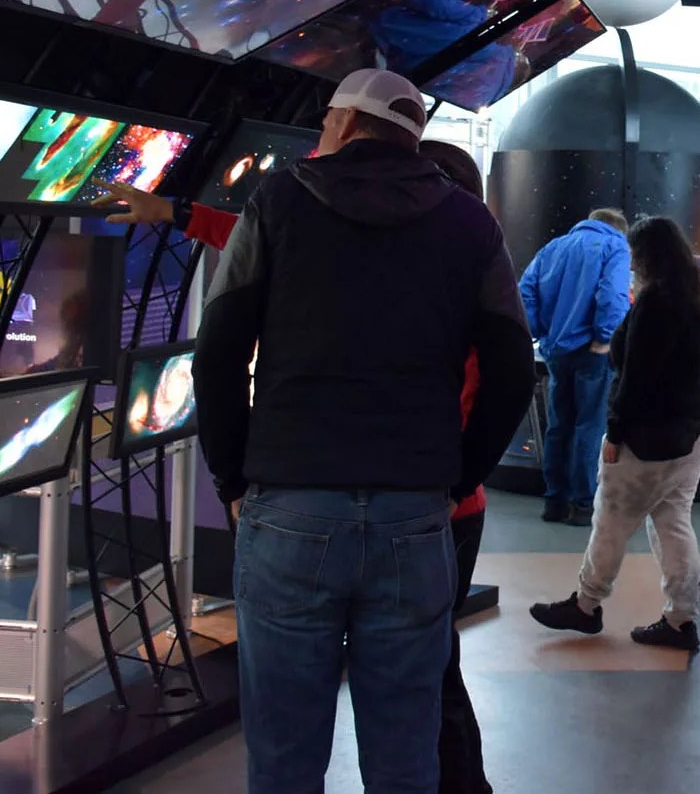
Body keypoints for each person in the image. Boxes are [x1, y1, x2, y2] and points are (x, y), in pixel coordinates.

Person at [102, 137, 500, 794]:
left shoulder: (446, 275)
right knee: (419, 681)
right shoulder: (460, 260)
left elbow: (489, 388)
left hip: (429, 507)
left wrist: (235, 480)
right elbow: (255, 230)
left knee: (394, 692)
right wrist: (175, 212)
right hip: (439, 509)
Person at [191, 69, 535, 794]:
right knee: (406, 752)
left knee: (284, 755)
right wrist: (460, 475)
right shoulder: (471, 224)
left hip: (289, 506)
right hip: (414, 511)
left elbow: (218, 349)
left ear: (346, 124)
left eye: (324, 125)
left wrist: (232, 477)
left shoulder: (278, 199)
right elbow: (512, 365)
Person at [528, 216, 700, 652]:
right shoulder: (691, 296)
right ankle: (681, 618)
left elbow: (636, 377)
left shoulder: (655, 303)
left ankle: (587, 604)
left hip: (653, 436)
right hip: (695, 427)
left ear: (645, 256)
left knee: (611, 519)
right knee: (673, 521)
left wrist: (615, 431)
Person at [519, 209, 631, 526]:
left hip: (557, 349)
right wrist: (606, 338)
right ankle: (584, 505)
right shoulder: (615, 246)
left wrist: (539, 332)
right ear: (619, 231)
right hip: (592, 352)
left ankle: (555, 501)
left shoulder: (553, 247)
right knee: (590, 425)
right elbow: (613, 294)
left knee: (559, 425)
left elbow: (525, 291)